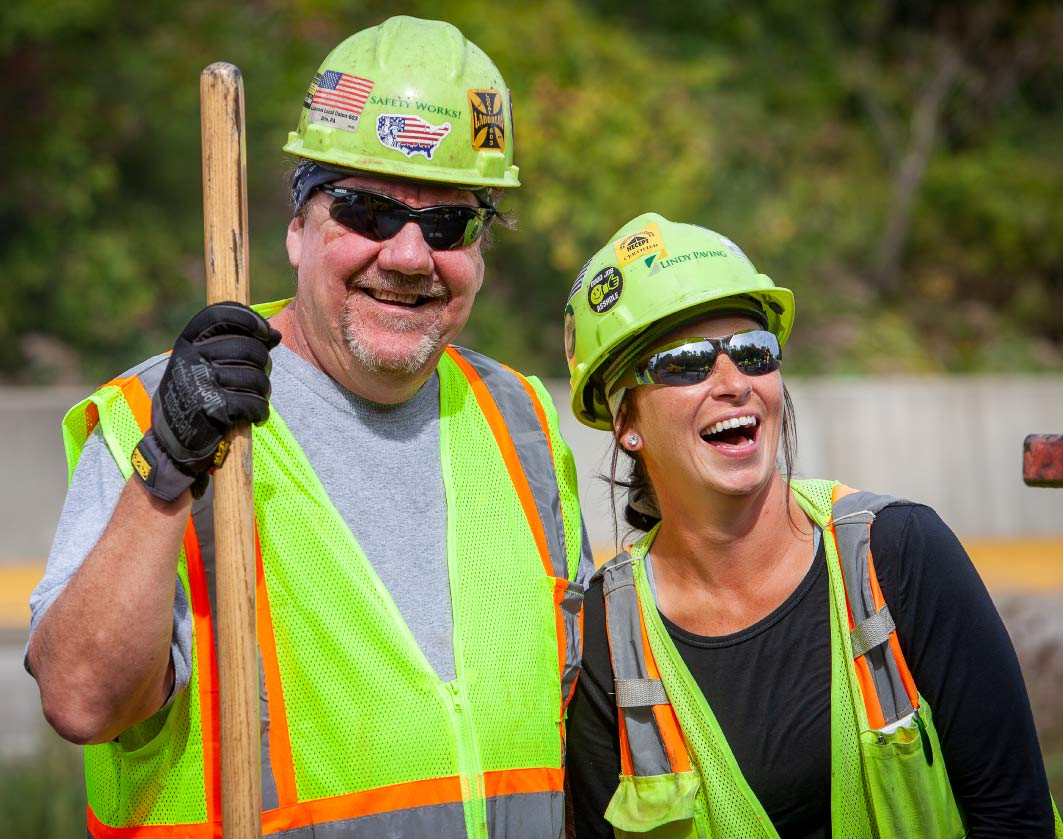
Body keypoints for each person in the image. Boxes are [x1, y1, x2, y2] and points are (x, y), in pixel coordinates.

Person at [27, 16, 590, 838]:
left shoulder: (524, 424)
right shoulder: (166, 414)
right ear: (297, 227)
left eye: (448, 225)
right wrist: (165, 473)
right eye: (366, 210)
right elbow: (79, 698)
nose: (407, 255)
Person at [562, 213, 1062, 838]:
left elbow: (1015, 818)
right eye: (686, 363)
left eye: (753, 352)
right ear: (624, 421)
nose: (733, 383)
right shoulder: (607, 643)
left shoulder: (899, 555)